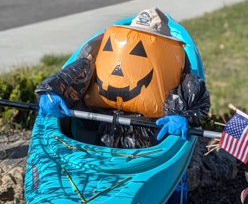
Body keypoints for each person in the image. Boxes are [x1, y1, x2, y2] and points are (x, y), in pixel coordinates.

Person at [35, 8, 210, 148]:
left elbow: (196, 98)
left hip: (149, 139)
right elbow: (74, 73)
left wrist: (183, 115)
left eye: (139, 51)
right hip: (97, 130)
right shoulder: (96, 58)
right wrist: (54, 91)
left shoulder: (179, 71)